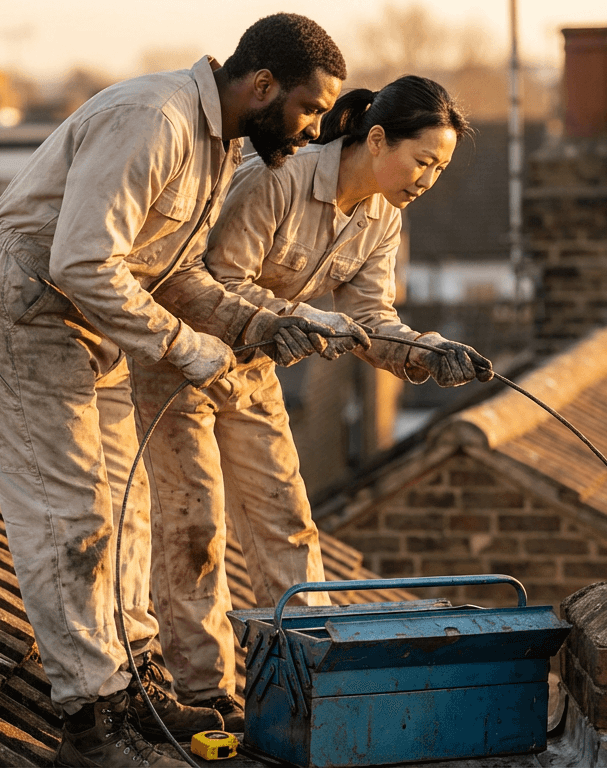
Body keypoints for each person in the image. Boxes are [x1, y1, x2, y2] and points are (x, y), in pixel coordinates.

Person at [0, 14, 347, 768]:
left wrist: (255, 322)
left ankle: (128, 682)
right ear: (262, 85)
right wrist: (186, 348)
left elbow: (179, 272)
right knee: (69, 517)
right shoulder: (154, 120)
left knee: (123, 515)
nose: (313, 129)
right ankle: (90, 724)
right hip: (22, 312)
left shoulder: (220, 143)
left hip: (89, 328)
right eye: (310, 108)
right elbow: (84, 263)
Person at [131, 75, 493, 732]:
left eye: (439, 169)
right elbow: (211, 282)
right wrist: (303, 318)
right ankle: (207, 694)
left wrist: (427, 352)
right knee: (194, 531)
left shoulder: (384, 218)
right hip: (178, 364)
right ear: (377, 137)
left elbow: (369, 318)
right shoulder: (276, 178)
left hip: (254, 374)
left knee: (288, 524)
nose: (427, 180)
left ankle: (309, 686)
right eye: (423, 161)